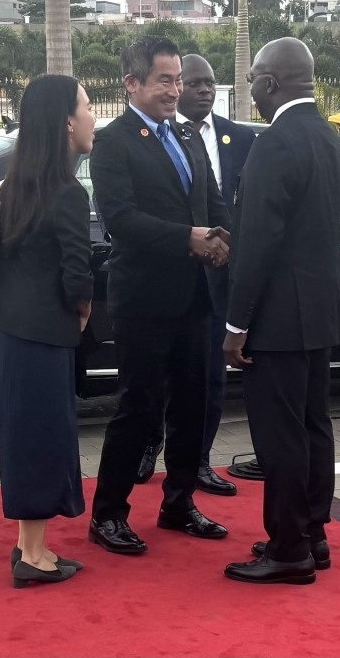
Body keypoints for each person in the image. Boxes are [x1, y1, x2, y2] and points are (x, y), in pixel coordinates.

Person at [89, 36, 231, 556]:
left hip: (195, 298)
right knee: (140, 410)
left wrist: (223, 240)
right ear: (132, 83)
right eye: (165, 80)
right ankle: (108, 514)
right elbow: (120, 220)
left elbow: (214, 203)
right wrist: (187, 238)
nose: (176, 90)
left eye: (179, 80)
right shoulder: (114, 142)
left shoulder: (190, 138)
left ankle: (179, 503)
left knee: (193, 406)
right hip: (144, 301)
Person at [223, 38, 340, 586]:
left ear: (271, 83)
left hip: (277, 318)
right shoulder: (328, 138)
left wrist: (235, 325)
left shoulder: (274, 145)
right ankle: (313, 533)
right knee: (313, 427)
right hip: (318, 311)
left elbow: (257, 245)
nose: (249, 87)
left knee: (280, 436)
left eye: (253, 77)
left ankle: (289, 548)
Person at [0, 74, 95, 588]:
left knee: (22, 435)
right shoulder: (67, 192)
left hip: (9, 330)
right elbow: (77, 271)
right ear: (66, 121)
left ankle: (28, 544)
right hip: (44, 334)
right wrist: (83, 308)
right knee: (41, 438)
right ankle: (32, 554)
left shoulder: (18, 184)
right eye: (88, 107)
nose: (93, 117)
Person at [136, 53, 254, 497]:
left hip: (217, 277)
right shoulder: (155, 138)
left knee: (208, 377)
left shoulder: (239, 138)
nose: (205, 90)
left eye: (210, 83)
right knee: (156, 374)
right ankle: (150, 443)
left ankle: (198, 461)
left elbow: (240, 207)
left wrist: (232, 250)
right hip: (167, 273)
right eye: (195, 83)